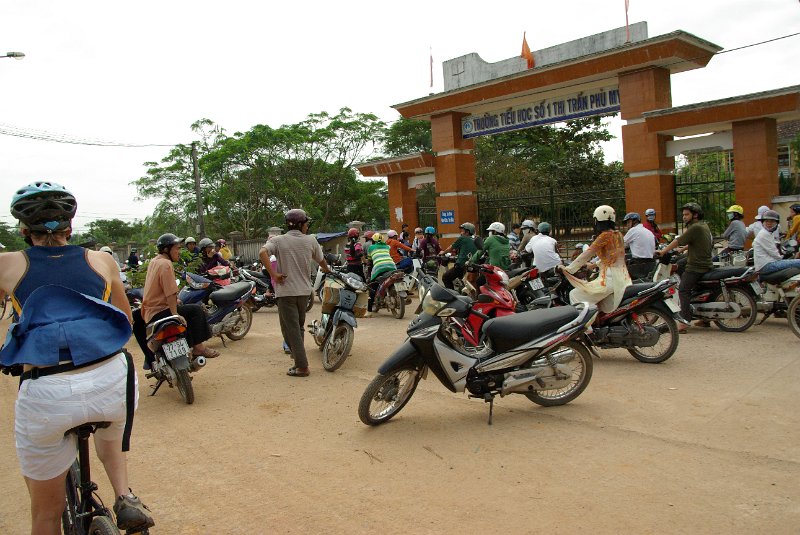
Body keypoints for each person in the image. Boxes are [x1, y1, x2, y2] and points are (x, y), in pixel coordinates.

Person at [0, 181, 155, 533]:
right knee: (111, 431)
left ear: (24, 231)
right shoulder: (101, 259)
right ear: (70, 226)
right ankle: (124, 495)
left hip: (47, 390)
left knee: (45, 514)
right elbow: (124, 319)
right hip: (111, 378)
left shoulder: (7, 264)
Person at [260, 209, 330, 377]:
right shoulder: (311, 241)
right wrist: (328, 270)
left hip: (286, 292)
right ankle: (298, 358)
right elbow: (322, 261)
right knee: (297, 328)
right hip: (304, 292)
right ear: (300, 224)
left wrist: (274, 274)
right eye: (306, 223)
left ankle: (302, 366)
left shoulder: (278, 240)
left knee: (289, 330)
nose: (307, 226)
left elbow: (262, 252)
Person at [137, 233, 218, 364]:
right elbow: (170, 292)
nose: (179, 252)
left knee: (185, 310)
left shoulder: (154, 261)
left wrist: (176, 302)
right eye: (177, 249)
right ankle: (199, 348)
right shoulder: (166, 264)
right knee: (196, 311)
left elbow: (160, 289)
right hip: (161, 311)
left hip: (149, 312)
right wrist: (175, 314)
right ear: (166, 250)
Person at [559, 206, 631, 312]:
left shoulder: (605, 236)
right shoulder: (618, 235)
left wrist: (568, 269)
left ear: (598, 220)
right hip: (623, 278)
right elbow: (612, 257)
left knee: (574, 294)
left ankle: (586, 328)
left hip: (609, 280)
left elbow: (586, 254)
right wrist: (593, 265)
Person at [656, 202, 713, 332]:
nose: (684, 217)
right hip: (706, 264)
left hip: (697, 266)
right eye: (683, 215)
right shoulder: (702, 226)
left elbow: (678, 240)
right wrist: (682, 249)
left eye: (687, 214)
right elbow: (694, 241)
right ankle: (705, 318)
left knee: (683, 290)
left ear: (695, 215)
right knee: (684, 269)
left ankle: (685, 321)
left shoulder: (694, 228)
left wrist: (663, 251)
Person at [441, 222, 478, 290]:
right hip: (474, 266)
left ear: (467, 231)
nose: (461, 232)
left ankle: (452, 297)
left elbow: (451, 248)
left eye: (463, 230)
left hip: (461, 266)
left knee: (446, 277)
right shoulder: (476, 239)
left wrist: (442, 253)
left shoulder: (462, 238)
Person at [366, 232, 397, 312]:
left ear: (373, 241)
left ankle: (369, 309)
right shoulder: (387, 247)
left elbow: (370, 261)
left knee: (372, 286)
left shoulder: (371, 248)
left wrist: (370, 274)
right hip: (392, 267)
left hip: (379, 268)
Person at [622, 212, 656, 279]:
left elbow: (620, 245)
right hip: (651, 264)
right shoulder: (649, 232)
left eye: (628, 222)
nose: (627, 225)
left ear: (635, 221)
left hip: (638, 266)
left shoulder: (633, 230)